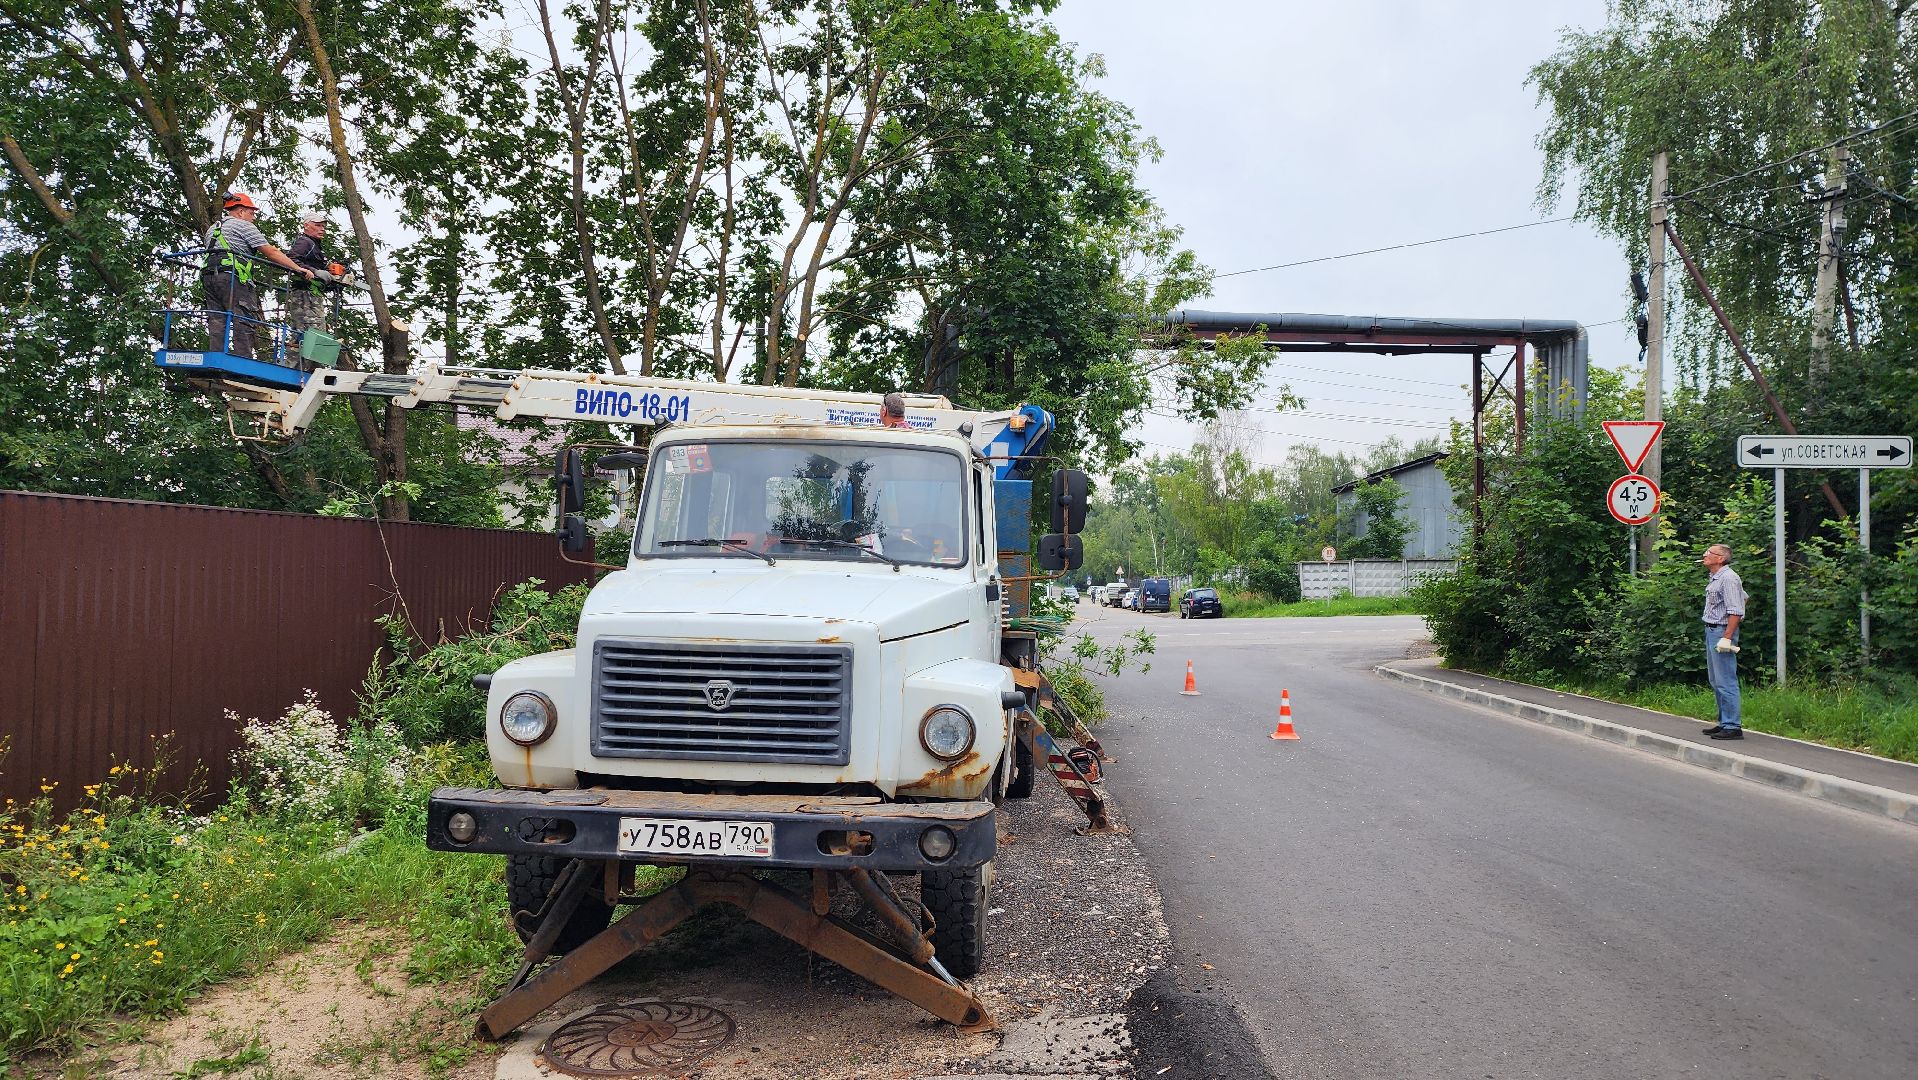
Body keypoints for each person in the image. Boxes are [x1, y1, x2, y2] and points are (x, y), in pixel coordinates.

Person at [202, 192, 312, 360]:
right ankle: (243, 360)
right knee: (243, 318)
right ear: (240, 212)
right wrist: (298, 269)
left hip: (209, 277)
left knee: (217, 318)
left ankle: (216, 357)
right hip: (232, 278)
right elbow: (271, 252)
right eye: (251, 213)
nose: (253, 218)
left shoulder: (212, 229)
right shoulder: (243, 226)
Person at [1700, 542, 1746, 740]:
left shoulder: (1728, 578)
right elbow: (1744, 597)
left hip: (1721, 632)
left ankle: (1733, 726)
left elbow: (1736, 610)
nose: (1704, 555)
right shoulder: (1716, 577)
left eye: (1709, 552)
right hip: (1712, 630)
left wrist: (1727, 636)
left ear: (1720, 558)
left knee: (1726, 680)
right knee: (1716, 680)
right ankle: (1724, 722)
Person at [283, 210, 340, 340]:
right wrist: (315, 271)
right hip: (305, 295)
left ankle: (296, 353)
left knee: (304, 335)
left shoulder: (314, 245)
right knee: (313, 334)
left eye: (323, 226)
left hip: (310, 294)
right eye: (318, 225)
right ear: (307, 225)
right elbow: (291, 259)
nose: (322, 229)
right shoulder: (305, 242)